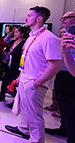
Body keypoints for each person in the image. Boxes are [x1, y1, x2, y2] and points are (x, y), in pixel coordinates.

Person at [5, 6, 61, 142]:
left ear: (39, 18)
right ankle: (24, 129)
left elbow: (55, 66)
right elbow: (26, 59)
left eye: (29, 15)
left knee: (35, 114)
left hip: (34, 82)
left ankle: (36, 140)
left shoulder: (49, 38)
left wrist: (36, 83)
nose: (26, 18)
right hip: (24, 78)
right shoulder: (30, 37)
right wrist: (20, 76)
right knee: (25, 109)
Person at [45, 11, 75, 143]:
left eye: (66, 18)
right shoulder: (64, 37)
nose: (63, 20)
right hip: (62, 74)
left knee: (71, 108)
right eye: (62, 18)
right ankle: (64, 129)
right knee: (63, 105)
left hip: (71, 77)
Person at [0, 26, 28, 102]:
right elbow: (5, 40)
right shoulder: (13, 41)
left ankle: (15, 101)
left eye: (17, 32)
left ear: (22, 34)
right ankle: (2, 95)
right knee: (5, 80)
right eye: (14, 32)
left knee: (15, 83)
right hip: (9, 64)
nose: (15, 33)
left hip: (17, 66)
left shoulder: (24, 43)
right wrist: (11, 33)